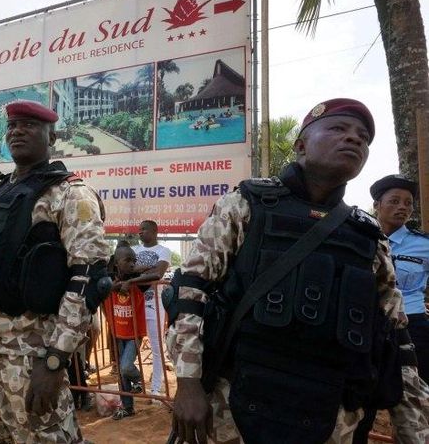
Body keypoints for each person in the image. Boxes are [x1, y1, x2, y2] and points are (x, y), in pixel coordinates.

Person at [166, 98, 416, 444]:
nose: (355, 139)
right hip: (233, 414)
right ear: (300, 146)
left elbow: (396, 339)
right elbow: (191, 291)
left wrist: (412, 430)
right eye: (339, 129)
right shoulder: (245, 204)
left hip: (332, 420)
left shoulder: (369, 238)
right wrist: (188, 383)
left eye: (363, 136)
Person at [0, 100, 111, 443]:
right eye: (12, 126)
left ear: (50, 135)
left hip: (30, 356)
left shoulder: (71, 194)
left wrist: (56, 360)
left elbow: (88, 280)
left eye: (28, 125)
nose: (17, 131)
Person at [349, 174, 429, 444]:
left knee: (414, 403)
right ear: (376, 205)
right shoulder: (358, 238)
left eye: (408, 203)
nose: (403, 207)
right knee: (362, 399)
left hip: (413, 330)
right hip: (369, 328)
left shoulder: (424, 245)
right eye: (394, 201)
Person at [104, 245, 160, 420]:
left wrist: (130, 282)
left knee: (127, 367)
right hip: (117, 332)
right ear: (115, 262)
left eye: (134, 260)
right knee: (121, 373)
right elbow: (97, 285)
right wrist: (112, 286)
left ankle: (139, 382)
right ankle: (128, 407)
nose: (132, 264)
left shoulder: (138, 279)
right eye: (127, 260)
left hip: (134, 333)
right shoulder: (108, 279)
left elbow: (157, 275)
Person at [132, 220, 171, 397]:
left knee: (157, 348)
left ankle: (155, 388)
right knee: (129, 347)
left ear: (155, 231)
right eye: (139, 230)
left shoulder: (164, 251)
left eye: (144, 229)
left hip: (154, 305)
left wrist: (136, 273)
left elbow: (159, 274)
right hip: (134, 306)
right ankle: (135, 383)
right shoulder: (134, 250)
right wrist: (148, 269)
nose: (140, 232)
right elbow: (125, 270)